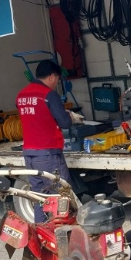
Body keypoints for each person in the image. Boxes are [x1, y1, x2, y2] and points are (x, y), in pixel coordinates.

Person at [16, 59, 82, 223]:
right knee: (61, 196)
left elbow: (36, 116)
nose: (56, 83)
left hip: (30, 155)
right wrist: (70, 116)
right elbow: (64, 123)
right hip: (48, 154)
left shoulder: (21, 95)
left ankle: (41, 231)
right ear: (52, 76)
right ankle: (61, 232)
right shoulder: (48, 95)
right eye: (57, 79)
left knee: (39, 196)